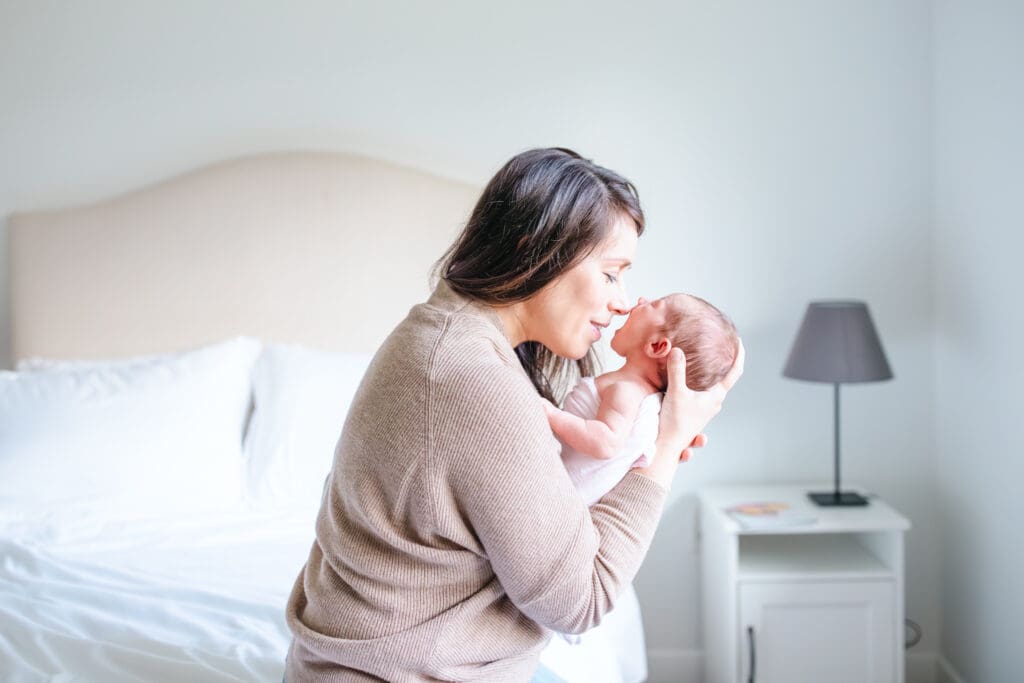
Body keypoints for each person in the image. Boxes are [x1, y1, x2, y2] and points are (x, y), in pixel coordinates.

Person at [283, 147, 744, 682]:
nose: (622, 302)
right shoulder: (471, 380)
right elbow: (582, 600)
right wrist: (664, 450)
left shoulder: (447, 333)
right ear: (536, 248)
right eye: (612, 274)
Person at [546, 293, 740, 507]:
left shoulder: (626, 392)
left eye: (654, 304)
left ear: (657, 346)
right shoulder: (651, 409)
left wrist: (549, 412)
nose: (641, 300)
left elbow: (605, 443)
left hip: (558, 499)